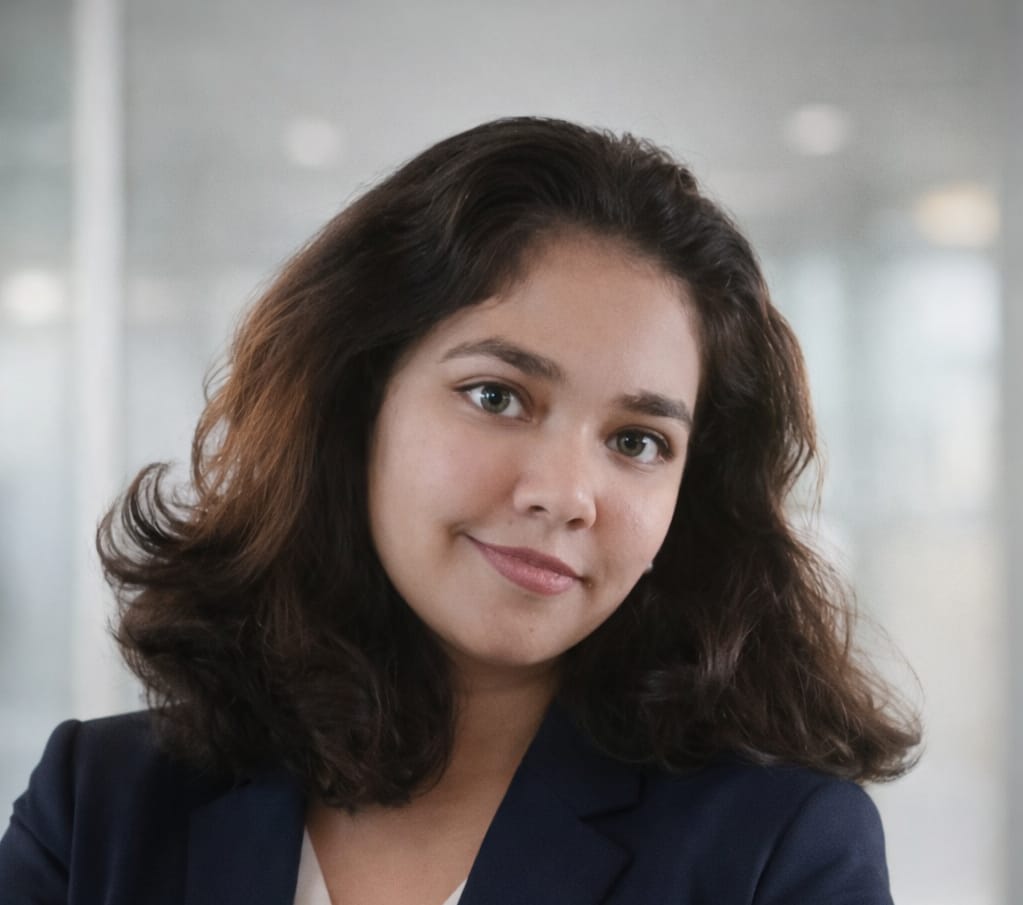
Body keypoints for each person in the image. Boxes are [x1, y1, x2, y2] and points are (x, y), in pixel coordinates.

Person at [0, 116, 919, 904]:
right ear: (358, 398)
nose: (564, 493)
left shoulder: (778, 848)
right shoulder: (100, 804)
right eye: (496, 396)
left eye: (638, 441)